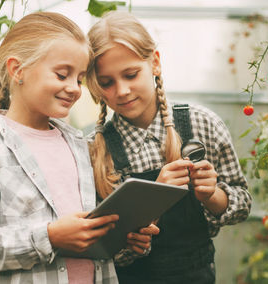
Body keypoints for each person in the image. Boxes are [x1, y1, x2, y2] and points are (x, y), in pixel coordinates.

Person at [0, 12, 157, 284]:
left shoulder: (78, 145)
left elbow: (86, 241)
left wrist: (122, 239)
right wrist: (49, 237)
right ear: (17, 70)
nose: (74, 88)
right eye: (62, 75)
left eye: (80, 79)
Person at [85, 11, 252, 283]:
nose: (122, 90)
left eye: (130, 74)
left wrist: (211, 195)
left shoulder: (201, 124)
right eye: (107, 82)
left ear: (155, 63)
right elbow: (103, 252)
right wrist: (150, 205)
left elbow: (242, 204)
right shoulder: (95, 149)